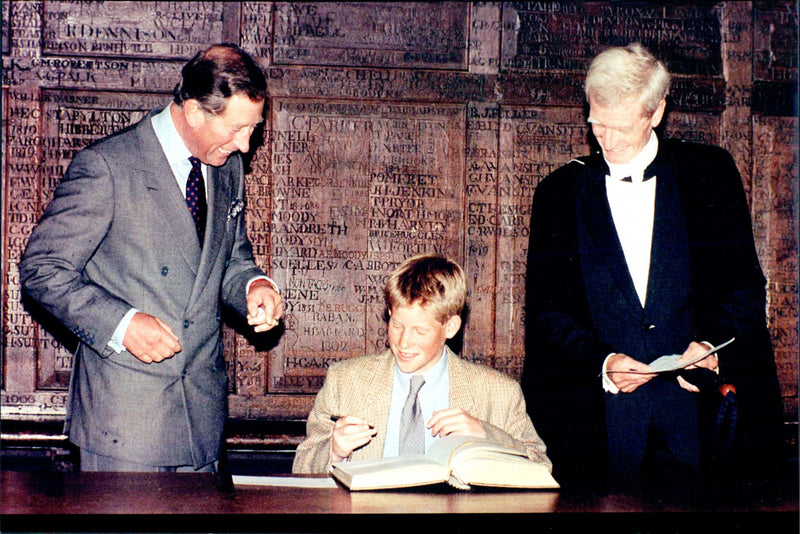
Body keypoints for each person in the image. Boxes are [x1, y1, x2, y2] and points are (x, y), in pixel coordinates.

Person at [521, 43, 784, 490]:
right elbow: (547, 312)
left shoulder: (710, 174)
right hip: (595, 432)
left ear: (656, 112)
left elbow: (743, 287)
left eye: (621, 127)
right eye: (596, 124)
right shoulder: (557, 193)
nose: (607, 140)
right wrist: (602, 363)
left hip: (699, 423)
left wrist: (710, 347)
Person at [19, 44, 284, 472]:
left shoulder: (226, 169)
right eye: (237, 129)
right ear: (195, 112)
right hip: (126, 426)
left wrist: (254, 286)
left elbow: (231, 258)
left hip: (203, 421)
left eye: (253, 128)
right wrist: (121, 325)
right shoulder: (107, 166)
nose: (245, 145)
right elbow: (42, 270)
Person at [293, 253, 552, 474]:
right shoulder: (345, 380)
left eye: (420, 331)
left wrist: (487, 435)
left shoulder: (498, 393)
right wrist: (335, 451)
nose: (403, 343)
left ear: (450, 327)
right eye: (396, 325)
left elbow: (541, 468)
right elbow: (301, 467)